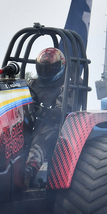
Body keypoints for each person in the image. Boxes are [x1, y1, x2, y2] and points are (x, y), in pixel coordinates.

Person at [24, 47, 66, 188]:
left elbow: (64, 112)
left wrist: (44, 111)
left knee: (42, 137)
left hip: (54, 127)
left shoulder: (66, 86)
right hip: (31, 122)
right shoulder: (32, 84)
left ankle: (29, 170)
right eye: (43, 69)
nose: (46, 72)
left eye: (50, 69)